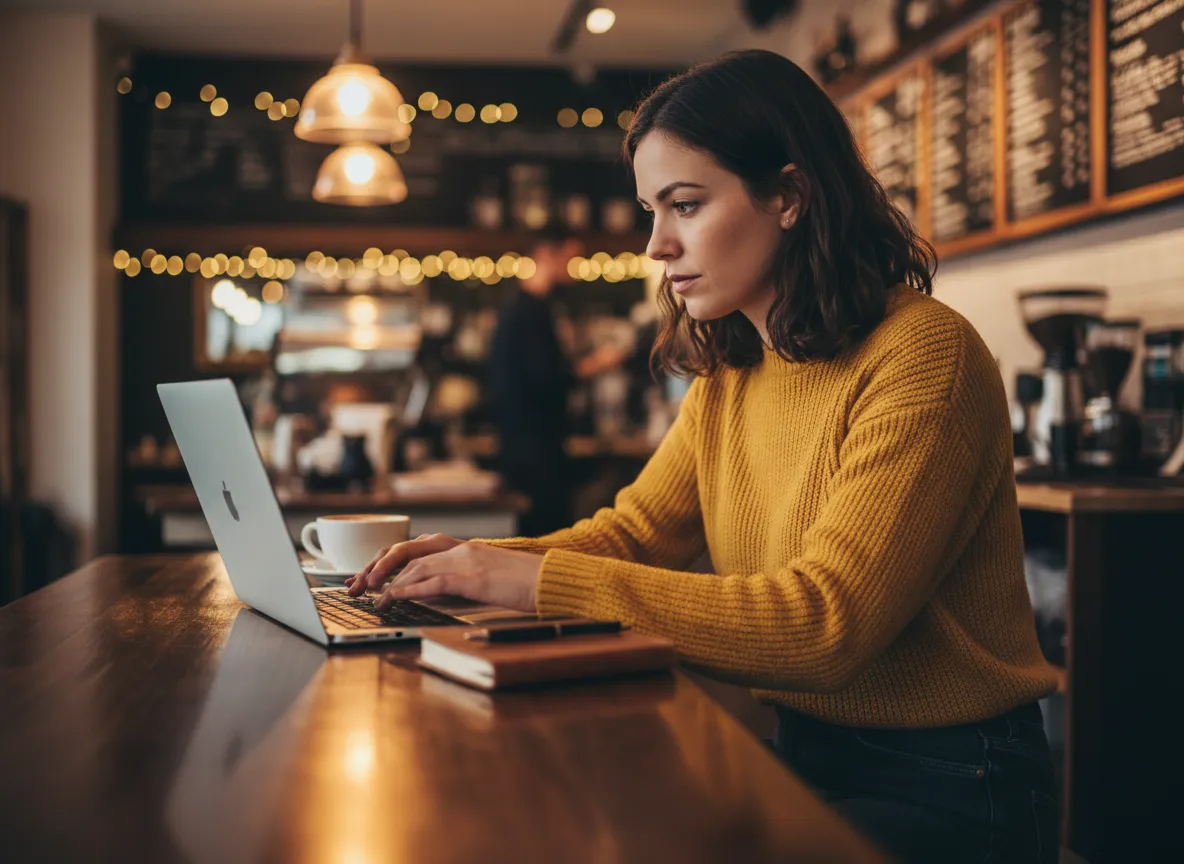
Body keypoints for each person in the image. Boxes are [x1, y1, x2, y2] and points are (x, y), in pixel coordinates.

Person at [349, 50, 1059, 863]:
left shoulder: (924, 353)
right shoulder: (734, 373)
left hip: (955, 783)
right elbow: (634, 533)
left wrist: (527, 579)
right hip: (809, 750)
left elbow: (827, 623)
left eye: (684, 205)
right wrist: (460, 565)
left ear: (789, 196)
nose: (656, 244)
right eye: (653, 209)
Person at [487, 226, 625, 536]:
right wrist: (596, 364)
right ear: (547, 253)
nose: (576, 267)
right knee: (545, 533)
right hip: (534, 449)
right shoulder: (530, 312)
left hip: (525, 444)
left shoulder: (525, 308)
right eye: (572, 258)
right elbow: (545, 379)